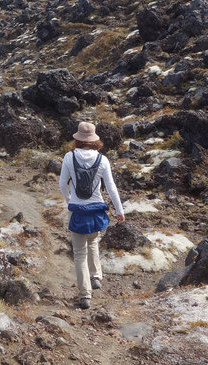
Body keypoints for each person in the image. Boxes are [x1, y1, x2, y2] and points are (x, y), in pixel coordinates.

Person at [58, 121, 125, 310]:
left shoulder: (69, 157)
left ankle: (85, 296)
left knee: (79, 254)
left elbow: (63, 184)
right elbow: (111, 187)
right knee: (93, 241)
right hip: (96, 210)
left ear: (78, 139)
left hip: (78, 211)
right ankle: (96, 277)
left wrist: (69, 200)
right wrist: (119, 211)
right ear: (94, 140)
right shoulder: (102, 160)